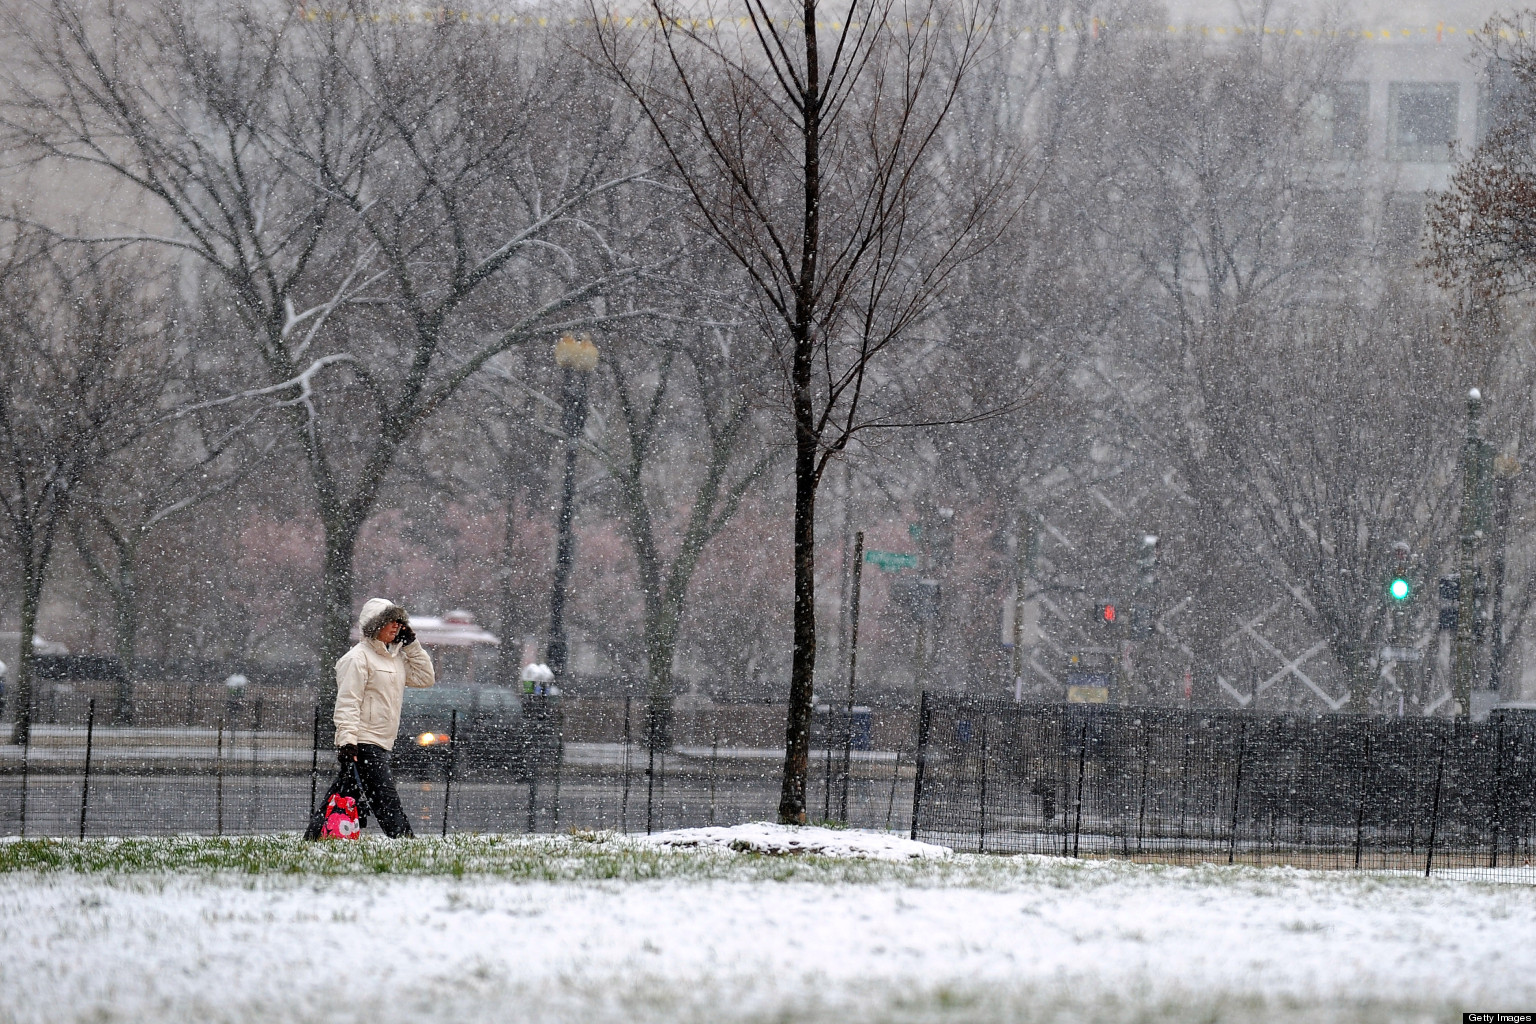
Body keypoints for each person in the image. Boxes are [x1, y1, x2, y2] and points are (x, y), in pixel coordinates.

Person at [304, 598, 434, 839]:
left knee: (344, 794)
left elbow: (425, 678)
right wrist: (347, 741)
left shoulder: (395, 659)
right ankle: (405, 840)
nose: (396, 626)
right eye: (390, 621)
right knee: (386, 798)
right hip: (364, 741)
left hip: (382, 741)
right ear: (375, 625)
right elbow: (348, 702)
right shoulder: (357, 659)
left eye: (399, 622)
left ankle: (315, 835)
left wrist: (412, 645)